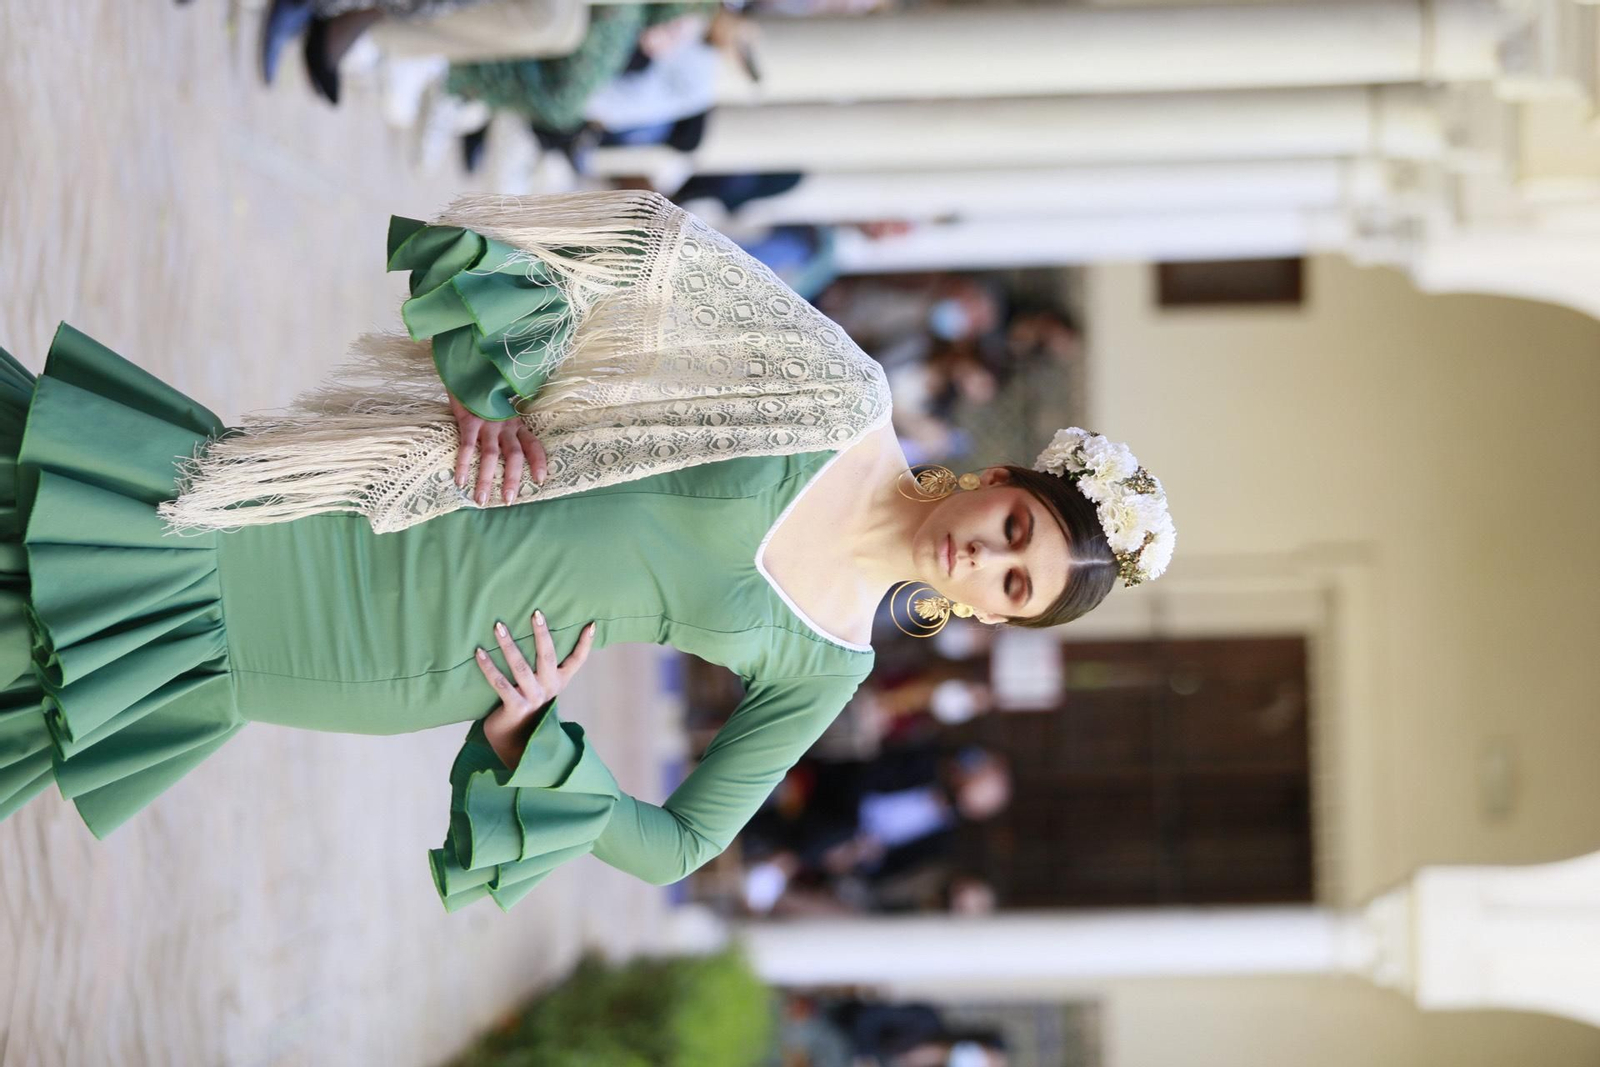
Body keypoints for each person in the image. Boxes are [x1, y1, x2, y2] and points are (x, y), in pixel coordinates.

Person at [0, 190, 1174, 912]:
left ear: (997, 617)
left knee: (62, 659)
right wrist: (501, 394)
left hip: (401, 658)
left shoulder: (828, 666)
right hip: (382, 504)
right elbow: (643, 249)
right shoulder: (840, 398)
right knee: (87, 520)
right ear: (999, 481)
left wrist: (529, 741)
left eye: (1014, 585)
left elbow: (679, 846)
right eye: (1014, 528)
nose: (989, 558)